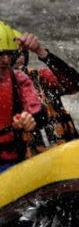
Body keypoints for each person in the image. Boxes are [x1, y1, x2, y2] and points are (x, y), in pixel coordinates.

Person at [7, 23, 79, 155]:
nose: (19, 59)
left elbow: (74, 84)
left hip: (65, 152)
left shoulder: (41, 77)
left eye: (22, 53)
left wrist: (41, 52)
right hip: (28, 162)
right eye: (13, 54)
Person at [0, 22, 46, 172]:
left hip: (9, 164)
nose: (6, 60)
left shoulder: (18, 79)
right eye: (0, 54)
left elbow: (39, 113)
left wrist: (31, 119)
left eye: (9, 54)